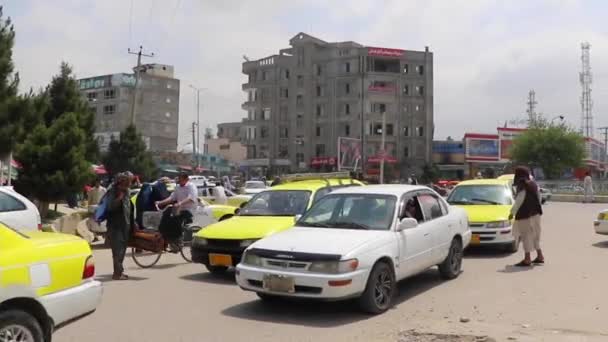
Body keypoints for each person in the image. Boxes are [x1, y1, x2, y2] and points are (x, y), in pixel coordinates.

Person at [510, 166, 544, 267]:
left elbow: (519, 200)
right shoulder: (533, 184)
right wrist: (536, 208)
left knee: (526, 236)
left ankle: (527, 259)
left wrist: (512, 212)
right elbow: (539, 197)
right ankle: (540, 256)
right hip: (536, 213)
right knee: (535, 235)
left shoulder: (522, 184)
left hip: (525, 215)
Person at [155, 173, 198, 250]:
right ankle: (167, 238)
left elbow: (191, 198)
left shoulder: (191, 186)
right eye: (179, 179)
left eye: (181, 179)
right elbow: (172, 198)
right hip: (179, 209)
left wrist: (180, 203)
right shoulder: (178, 187)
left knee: (176, 221)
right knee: (166, 216)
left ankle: (178, 241)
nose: (179, 181)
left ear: (186, 179)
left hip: (189, 210)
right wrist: (160, 202)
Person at [106, 173, 134, 280]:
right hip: (115, 226)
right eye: (127, 182)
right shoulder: (113, 192)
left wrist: (133, 223)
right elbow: (110, 207)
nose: (129, 184)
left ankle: (119, 271)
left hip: (125, 225)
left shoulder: (127, 192)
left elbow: (128, 209)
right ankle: (117, 274)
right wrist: (119, 199)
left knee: (122, 250)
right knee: (117, 250)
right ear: (121, 182)